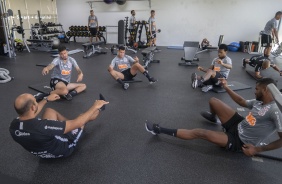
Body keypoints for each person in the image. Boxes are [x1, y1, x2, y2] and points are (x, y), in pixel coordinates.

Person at [145, 78, 282, 157]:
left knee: (200, 133)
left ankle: (159, 129)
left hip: (240, 141)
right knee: (213, 101)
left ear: (265, 91)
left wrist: (257, 149)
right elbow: (241, 102)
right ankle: (214, 118)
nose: (255, 90)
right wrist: (226, 87)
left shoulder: (275, 111)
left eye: (257, 89)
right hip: (240, 124)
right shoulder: (260, 101)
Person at [9, 93, 109, 158]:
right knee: (82, 118)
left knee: (49, 111)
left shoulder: (13, 126)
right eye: (35, 101)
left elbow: (31, 113)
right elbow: (78, 123)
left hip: (41, 147)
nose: (36, 102)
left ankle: (67, 125)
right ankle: (101, 108)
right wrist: (94, 106)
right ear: (33, 107)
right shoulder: (44, 126)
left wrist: (46, 99)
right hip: (63, 147)